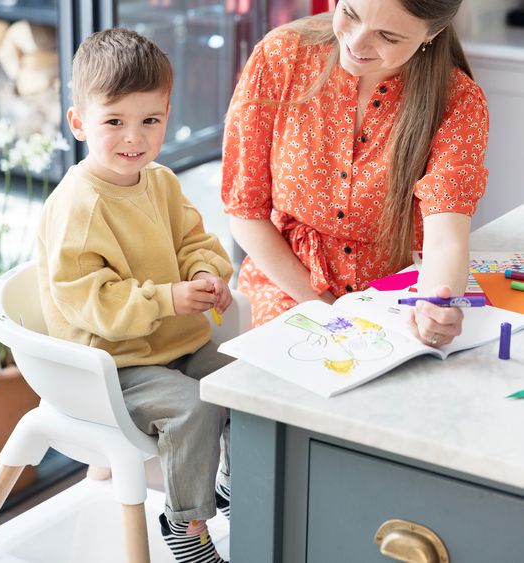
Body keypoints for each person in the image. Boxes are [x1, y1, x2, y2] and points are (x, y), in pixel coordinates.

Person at [37, 28, 232, 563]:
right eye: (114, 122)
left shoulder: (160, 181)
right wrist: (168, 297)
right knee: (194, 409)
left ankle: (233, 484)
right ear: (79, 123)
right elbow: (90, 303)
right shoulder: (80, 206)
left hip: (175, 344)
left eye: (151, 120)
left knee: (244, 380)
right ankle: (184, 523)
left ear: (167, 114)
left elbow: (197, 240)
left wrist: (209, 274)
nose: (135, 138)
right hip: (111, 364)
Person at [222, 0, 489, 348]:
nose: (356, 43)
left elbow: (447, 239)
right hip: (288, 288)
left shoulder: (459, 101)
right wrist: (326, 310)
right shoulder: (280, 57)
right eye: (349, 13)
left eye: (387, 36)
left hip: (393, 300)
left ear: (432, 33)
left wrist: (435, 308)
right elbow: (245, 213)